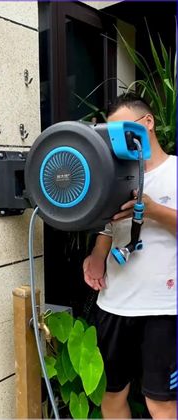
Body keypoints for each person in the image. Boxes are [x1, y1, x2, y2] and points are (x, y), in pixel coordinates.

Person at [83, 93, 177, 419]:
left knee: (160, 404)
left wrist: (153, 211)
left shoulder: (175, 170)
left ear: (147, 123)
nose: (115, 141)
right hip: (114, 302)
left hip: (164, 309)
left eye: (122, 130)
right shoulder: (112, 174)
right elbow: (109, 228)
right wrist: (96, 255)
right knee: (111, 396)